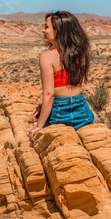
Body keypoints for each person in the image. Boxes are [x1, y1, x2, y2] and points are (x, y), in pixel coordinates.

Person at [28, 10, 94, 145]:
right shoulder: (79, 52)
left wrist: (39, 126)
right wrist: (43, 106)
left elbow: (49, 94)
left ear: (58, 30)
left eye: (46, 27)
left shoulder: (47, 57)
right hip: (82, 110)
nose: (42, 30)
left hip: (59, 111)